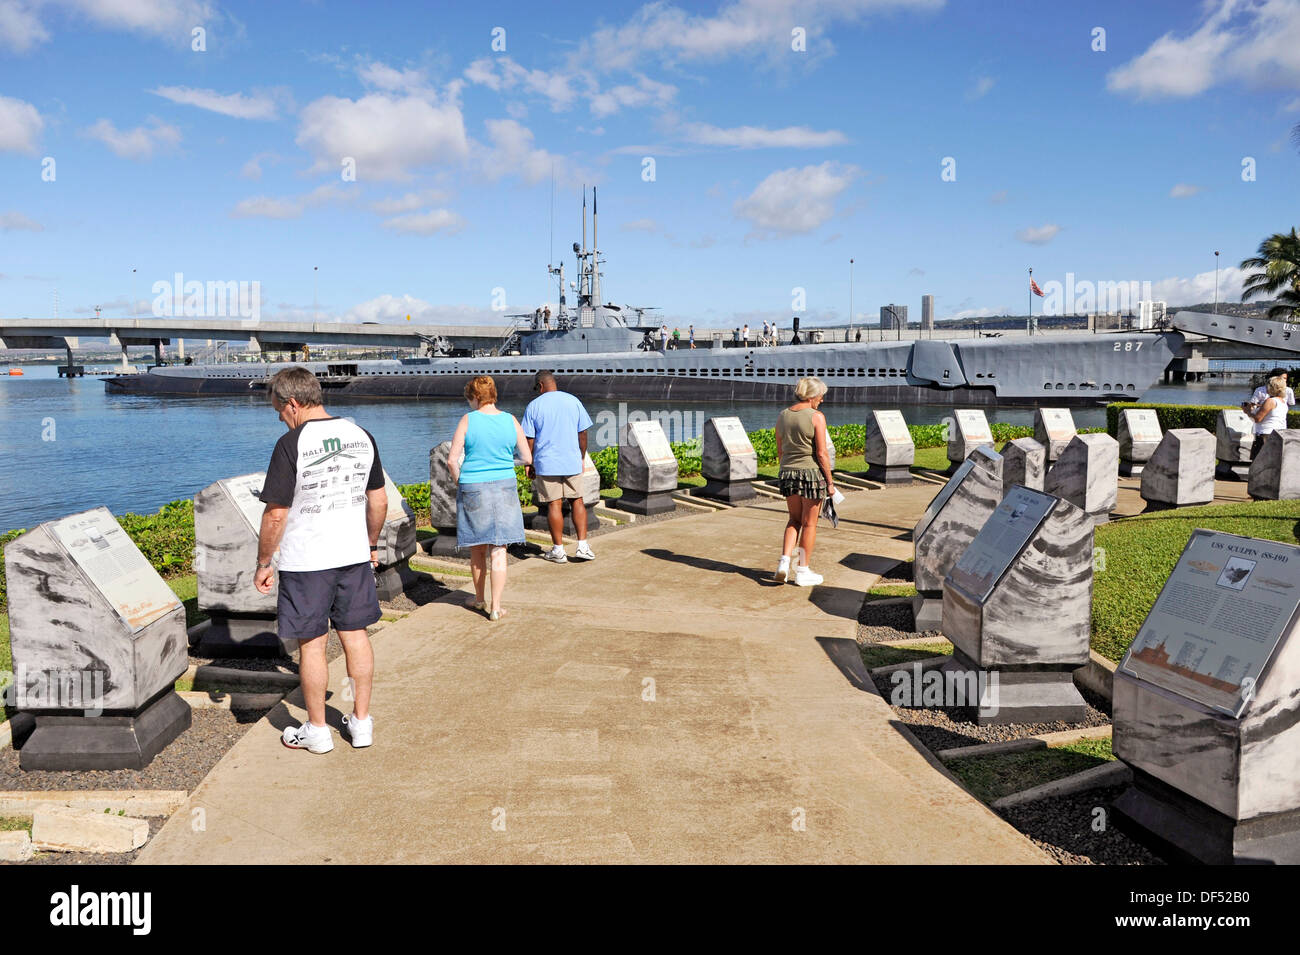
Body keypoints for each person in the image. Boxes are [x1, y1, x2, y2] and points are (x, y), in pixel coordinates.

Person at [255, 367, 387, 755]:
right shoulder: (362, 435)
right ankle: (361, 724)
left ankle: (317, 731)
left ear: (292, 403)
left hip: (306, 560)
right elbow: (377, 500)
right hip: (353, 556)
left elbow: (276, 514)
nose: (280, 417)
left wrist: (264, 561)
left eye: (279, 409)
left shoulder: (290, 443)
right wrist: (371, 544)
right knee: (355, 635)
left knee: (312, 645)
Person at [449, 376, 532, 621]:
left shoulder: (468, 420)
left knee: (478, 548)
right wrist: (507, 463)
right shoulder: (511, 420)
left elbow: (452, 460)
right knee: (499, 549)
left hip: (473, 486)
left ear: (475, 397)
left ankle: (478, 599)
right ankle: (496, 607)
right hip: (504, 485)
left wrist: (460, 481)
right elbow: (527, 458)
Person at [522, 370, 596, 563]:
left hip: (546, 463)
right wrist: (580, 455)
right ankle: (583, 547)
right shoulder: (573, 401)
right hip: (571, 460)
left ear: (540, 386)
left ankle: (558, 551)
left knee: (554, 504)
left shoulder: (534, 406)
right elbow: (583, 433)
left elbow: (529, 439)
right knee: (577, 500)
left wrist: (528, 462)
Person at [773, 377, 834, 586]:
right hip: (810, 473)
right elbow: (822, 453)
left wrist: (788, 469)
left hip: (788, 473)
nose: (822, 400)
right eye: (821, 396)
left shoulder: (783, 416)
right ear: (812, 396)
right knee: (809, 524)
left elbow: (781, 451)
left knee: (794, 520)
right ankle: (802, 570)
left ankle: (783, 563)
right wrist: (830, 483)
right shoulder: (816, 416)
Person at [1251, 377, 1289, 459]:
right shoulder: (1283, 402)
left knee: (1259, 462)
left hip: (1266, 434)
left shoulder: (1270, 401)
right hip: (1278, 433)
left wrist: (1248, 412)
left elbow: (1258, 418)